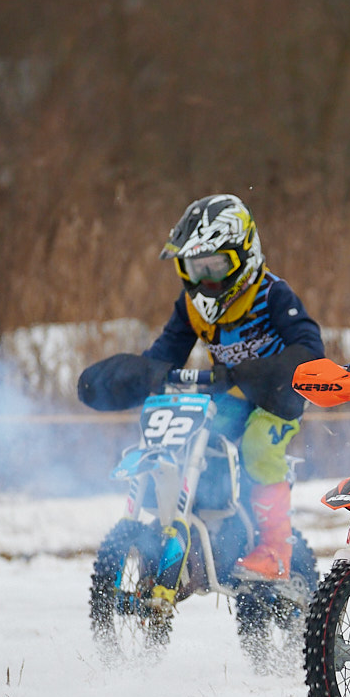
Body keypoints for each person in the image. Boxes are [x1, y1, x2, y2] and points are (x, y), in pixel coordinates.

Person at [77, 194, 324, 584]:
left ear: (245, 254)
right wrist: (147, 375)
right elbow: (166, 353)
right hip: (227, 396)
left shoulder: (273, 294)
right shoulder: (191, 305)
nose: (206, 278)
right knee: (185, 434)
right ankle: (194, 532)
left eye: (215, 265)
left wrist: (255, 372)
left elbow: (310, 348)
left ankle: (276, 548)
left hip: (276, 398)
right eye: (196, 267)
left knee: (257, 449)